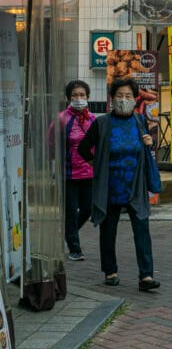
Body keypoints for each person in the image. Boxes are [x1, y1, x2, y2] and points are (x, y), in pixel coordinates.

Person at [79, 77, 160, 291]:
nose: (124, 99)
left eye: (128, 96)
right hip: (110, 186)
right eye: (119, 96)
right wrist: (97, 166)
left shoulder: (140, 121)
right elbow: (83, 149)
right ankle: (110, 271)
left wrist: (150, 143)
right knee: (108, 230)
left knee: (142, 229)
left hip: (135, 185)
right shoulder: (102, 123)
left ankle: (146, 276)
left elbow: (148, 146)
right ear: (112, 99)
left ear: (135, 99)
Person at [53, 80, 95, 261]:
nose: (79, 99)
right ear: (68, 98)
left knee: (87, 209)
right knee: (70, 211)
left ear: (88, 97)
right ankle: (74, 248)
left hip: (89, 173)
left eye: (82, 95)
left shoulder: (93, 119)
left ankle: (69, 234)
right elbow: (50, 143)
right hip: (68, 174)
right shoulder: (61, 119)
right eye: (75, 96)